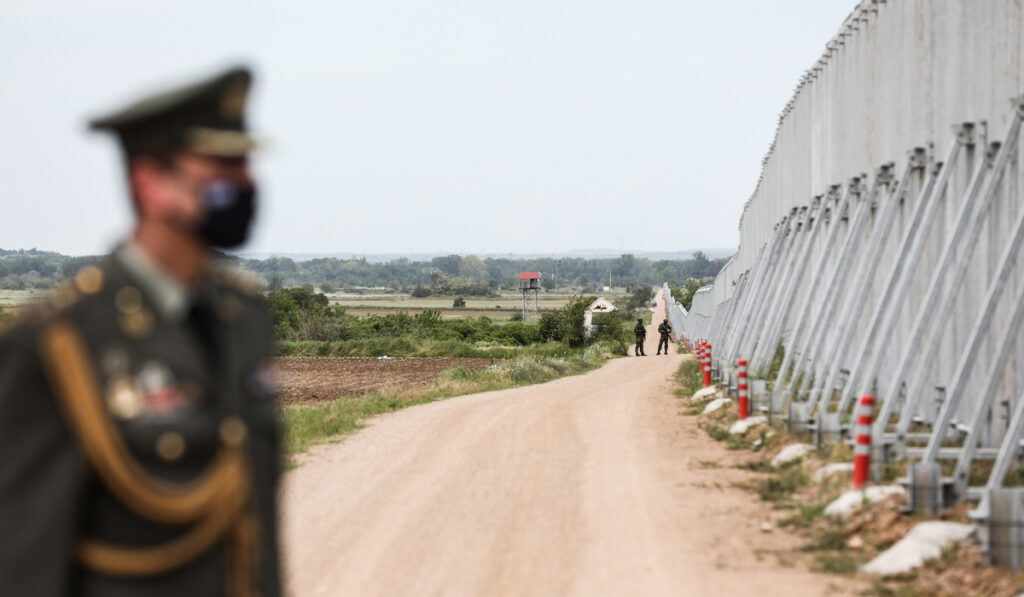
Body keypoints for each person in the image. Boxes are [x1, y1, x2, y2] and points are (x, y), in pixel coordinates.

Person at [0, 66, 282, 596]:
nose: (245, 182)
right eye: (222, 165)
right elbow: (24, 564)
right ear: (151, 183)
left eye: (245, 163)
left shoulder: (245, 318)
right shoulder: (56, 343)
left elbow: (254, 535)